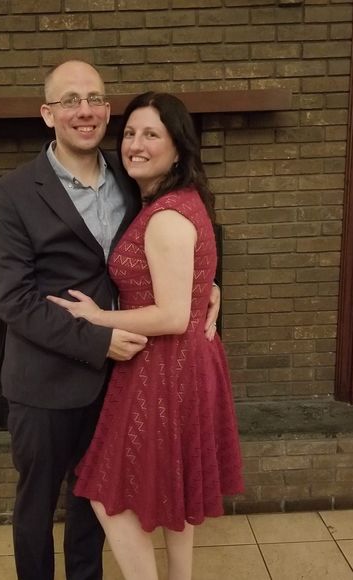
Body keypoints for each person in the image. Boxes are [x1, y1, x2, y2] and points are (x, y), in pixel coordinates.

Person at [0, 62, 221, 580]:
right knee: (37, 506)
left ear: (107, 110)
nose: (84, 110)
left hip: (122, 379)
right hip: (45, 382)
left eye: (94, 98)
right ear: (48, 114)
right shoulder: (11, 194)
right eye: (69, 100)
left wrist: (208, 287)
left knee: (96, 500)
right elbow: (14, 301)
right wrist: (99, 339)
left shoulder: (133, 171)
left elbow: (169, 248)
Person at [48, 92, 244, 580]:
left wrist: (97, 318)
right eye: (131, 133)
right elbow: (186, 286)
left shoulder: (167, 216)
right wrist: (209, 290)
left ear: (178, 149)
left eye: (152, 134)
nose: (136, 144)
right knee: (176, 484)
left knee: (103, 490)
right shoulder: (174, 201)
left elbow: (173, 316)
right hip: (180, 363)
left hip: (166, 366)